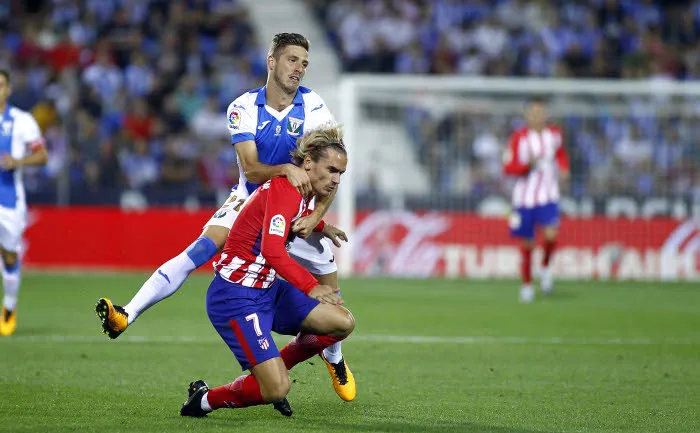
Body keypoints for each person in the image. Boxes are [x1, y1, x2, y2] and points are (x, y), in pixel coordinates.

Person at [94, 33, 356, 400]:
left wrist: (316, 218)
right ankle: (127, 313)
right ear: (272, 61)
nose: (299, 68)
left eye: (304, 63)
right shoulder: (243, 107)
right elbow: (251, 169)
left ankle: (335, 356)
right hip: (249, 201)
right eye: (292, 59)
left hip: (293, 206)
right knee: (202, 249)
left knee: (329, 276)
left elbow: (331, 167)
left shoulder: (313, 106)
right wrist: (285, 168)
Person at [180, 124, 353, 418]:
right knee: (276, 389)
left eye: (341, 173)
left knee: (341, 323)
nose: (336, 180)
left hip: (268, 290)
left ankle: (270, 372)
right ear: (308, 163)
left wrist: (323, 226)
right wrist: (311, 286)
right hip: (236, 297)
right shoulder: (286, 189)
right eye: (332, 170)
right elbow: (272, 250)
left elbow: (289, 219)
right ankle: (204, 400)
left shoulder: (300, 192)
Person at [503, 98, 570, 303]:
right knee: (527, 243)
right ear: (527, 116)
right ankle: (527, 285)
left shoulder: (554, 134)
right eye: (533, 113)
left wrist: (564, 168)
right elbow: (508, 168)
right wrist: (527, 165)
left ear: (545, 115)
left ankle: (545, 268)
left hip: (548, 195)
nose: (537, 117)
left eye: (540, 113)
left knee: (551, 235)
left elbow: (560, 154)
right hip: (524, 199)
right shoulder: (518, 138)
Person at [0, 69, 49, 336]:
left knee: (9, 255)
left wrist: (17, 161)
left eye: (1, 85)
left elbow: (42, 155)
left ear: (8, 89)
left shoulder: (22, 120)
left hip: (8, 198)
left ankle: (9, 306)